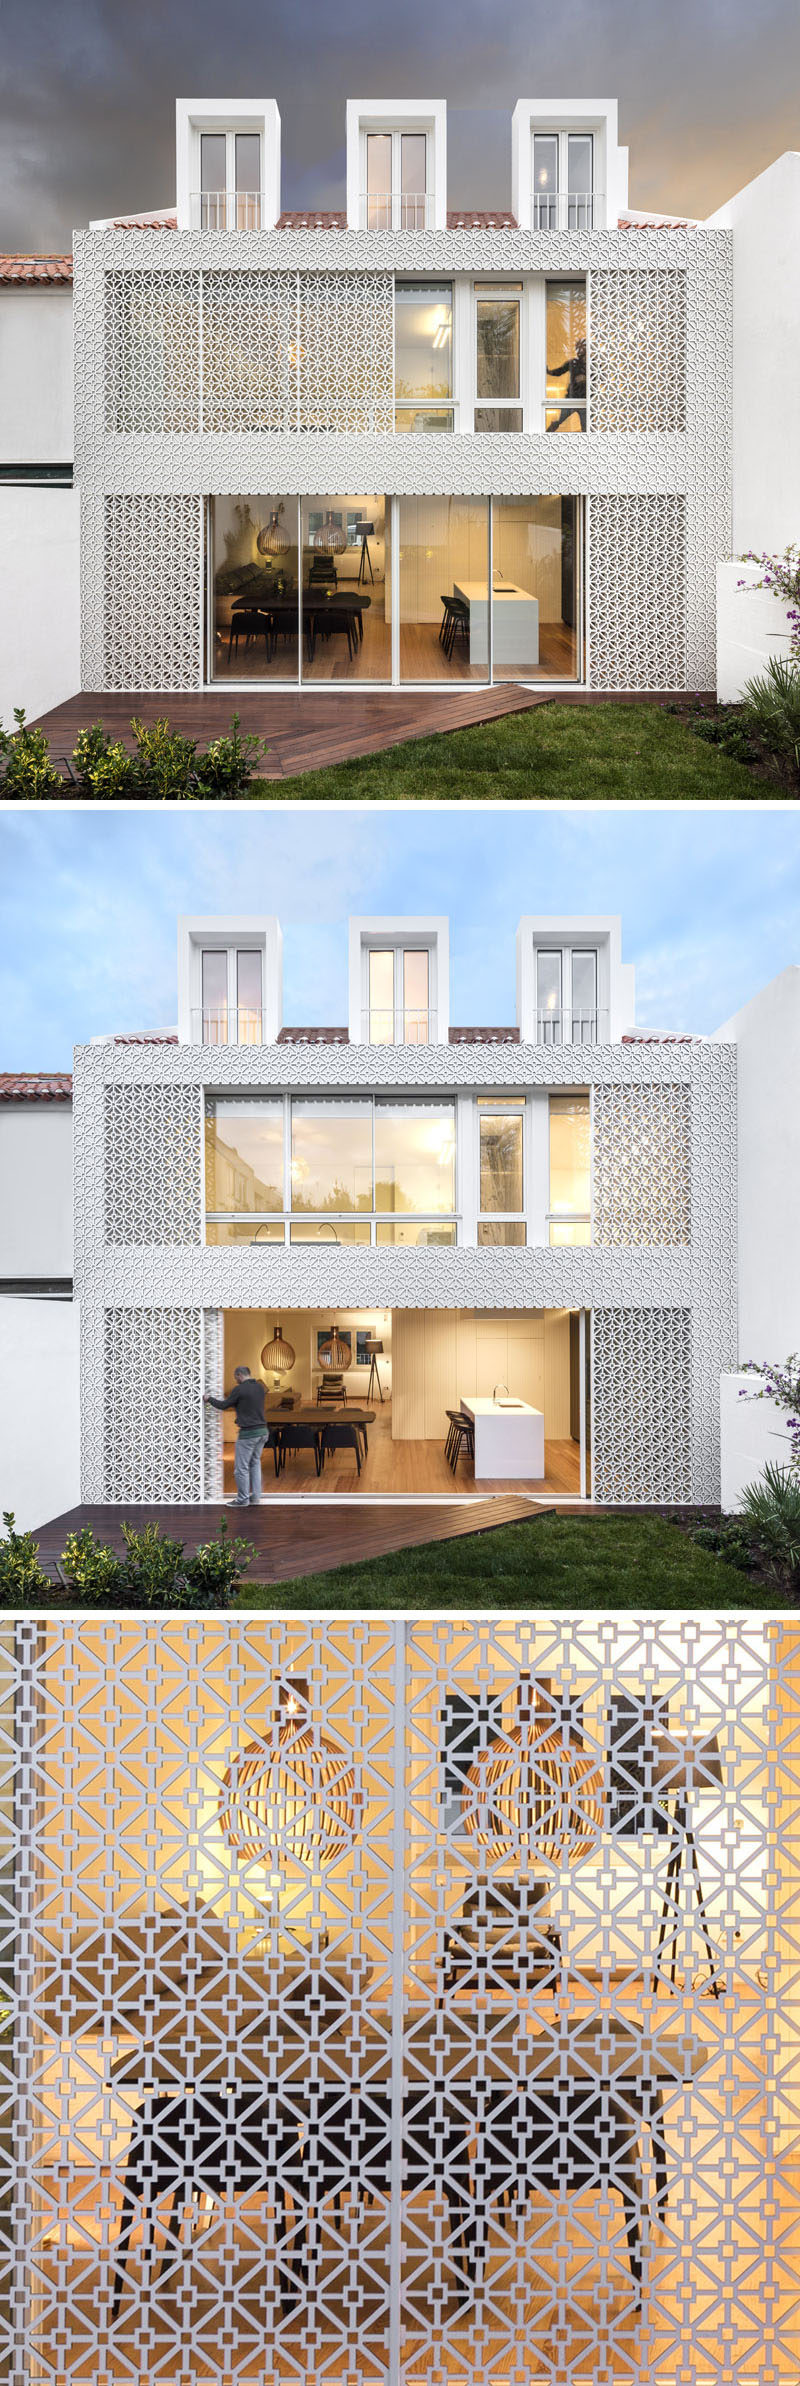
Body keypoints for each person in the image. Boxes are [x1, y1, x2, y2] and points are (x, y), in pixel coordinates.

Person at [204, 1365, 270, 1506]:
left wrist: (208, 1398)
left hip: (248, 1434)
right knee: (255, 1463)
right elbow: (251, 1407)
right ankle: (256, 1497)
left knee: (241, 1467)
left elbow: (223, 1405)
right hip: (263, 1431)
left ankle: (242, 1499)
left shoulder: (239, 1389)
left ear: (239, 1375)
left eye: (236, 1378)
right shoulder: (260, 1387)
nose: (235, 1381)